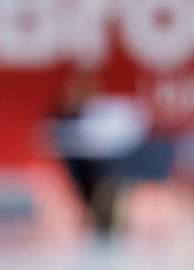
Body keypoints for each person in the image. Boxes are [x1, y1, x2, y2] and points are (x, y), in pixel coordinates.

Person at [47, 68, 149, 233]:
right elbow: (53, 139)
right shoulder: (63, 116)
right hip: (82, 171)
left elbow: (129, 136)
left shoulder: (106, 114)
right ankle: (96, 216)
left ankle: (107, 216)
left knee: (109, 181)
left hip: (106, 167)